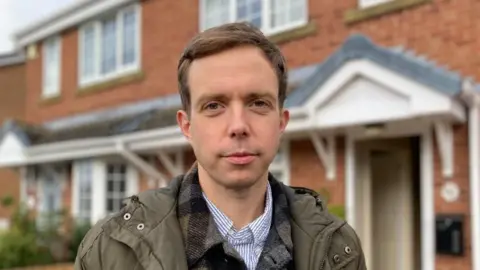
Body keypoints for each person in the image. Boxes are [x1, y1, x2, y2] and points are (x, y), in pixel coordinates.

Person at [74, 22, 366, 270]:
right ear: (186, 125)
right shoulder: (111, 251)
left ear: (281, 122)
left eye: (258, 103)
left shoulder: (338, 251)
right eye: (214, 105)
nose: (238, 125)